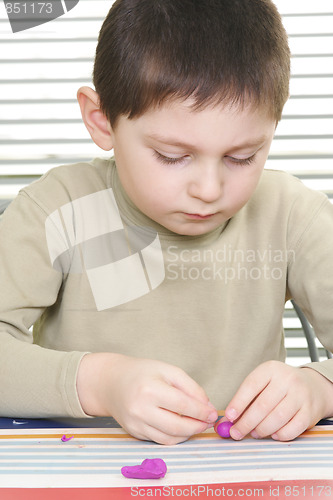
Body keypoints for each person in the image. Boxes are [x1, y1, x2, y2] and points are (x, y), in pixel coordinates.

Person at [0, 0, 333, 446]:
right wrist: (102, 382)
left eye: (242, 157)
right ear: (102, 122)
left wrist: (319, 387)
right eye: (172, 157)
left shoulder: (291, 214)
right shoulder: (58, 209)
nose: (209, 189)